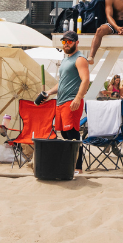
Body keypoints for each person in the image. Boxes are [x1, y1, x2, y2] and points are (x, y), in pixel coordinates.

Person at [35, 31, 89, 172]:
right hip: (61, 102)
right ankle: (70, 164)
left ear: (77, 42)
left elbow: (86, 80)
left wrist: (78, 98)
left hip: (71, 101)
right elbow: (62, 83)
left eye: (69, 41)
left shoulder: (80, 59)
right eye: (64, 42)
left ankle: (78, 168)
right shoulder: (66, 60)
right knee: (64, 134)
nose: (66, 44)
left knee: (72, 134)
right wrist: (49, 92)